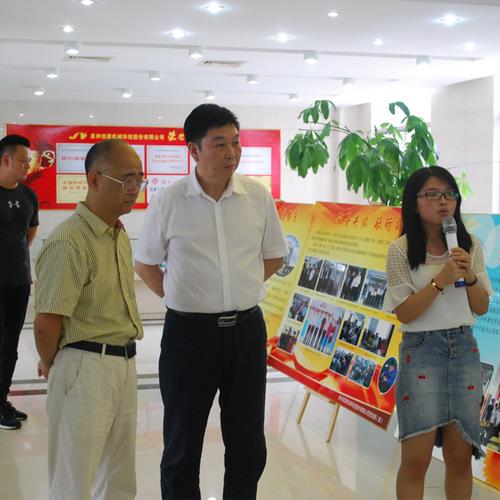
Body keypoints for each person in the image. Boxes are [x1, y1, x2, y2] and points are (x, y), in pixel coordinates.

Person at [135, 103, 287, 500]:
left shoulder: (256, 197)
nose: (231, 153)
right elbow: (146, 263)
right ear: (194, 150)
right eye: (219, 144)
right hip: (189, 335)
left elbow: (274, 256)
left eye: (235, 142)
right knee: (182, 445)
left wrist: (237, 286)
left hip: (246, 332)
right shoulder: (169, 201)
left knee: (248, 445)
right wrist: (180, 295)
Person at [34, 139, 145, 499]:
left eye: (139, 179)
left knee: (118, 477)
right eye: (126, 179)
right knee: (75, 479)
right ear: (94, 180)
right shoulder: (69, 241)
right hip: (85, 366)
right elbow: (47, 321)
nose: (134, 188)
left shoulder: (117, 234)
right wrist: (57, 364)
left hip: (123, 363)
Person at [383, 166, 491, 500]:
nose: (443, 202)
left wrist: (469, 276)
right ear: (414, 204)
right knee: (416, 460)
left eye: (449, 194)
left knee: (459, 458)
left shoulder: (469, 246)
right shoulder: (400, 250)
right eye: (431, 195)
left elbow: (481, 306)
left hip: (464, 351)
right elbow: (405, 313)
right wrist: (440, 280)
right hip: (421, 353)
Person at [0, 134, 38, 430]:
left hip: (19, 280)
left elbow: (30, 232)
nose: (28, 165)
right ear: (6, 159)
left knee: (10, 345)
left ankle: (2, 398)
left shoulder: (28, 195)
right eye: (24, 160)